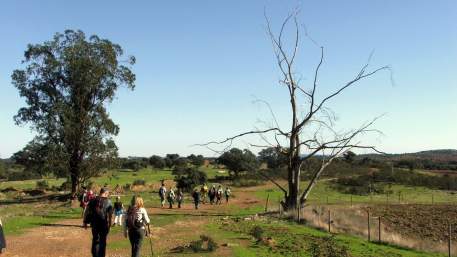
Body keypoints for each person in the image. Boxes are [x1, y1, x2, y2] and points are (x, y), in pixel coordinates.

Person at [84, 188, 113, 257]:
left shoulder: (93, 200)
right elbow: (110, 215)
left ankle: (95, 255)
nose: (108, 195)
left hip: (94, 224)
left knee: (95, 239)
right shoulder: (108, 201)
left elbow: (86, 211)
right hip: (103, 224)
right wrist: (110, 225)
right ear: (105, 193)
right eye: (108, 193)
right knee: (102, 241)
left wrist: (85, 222)